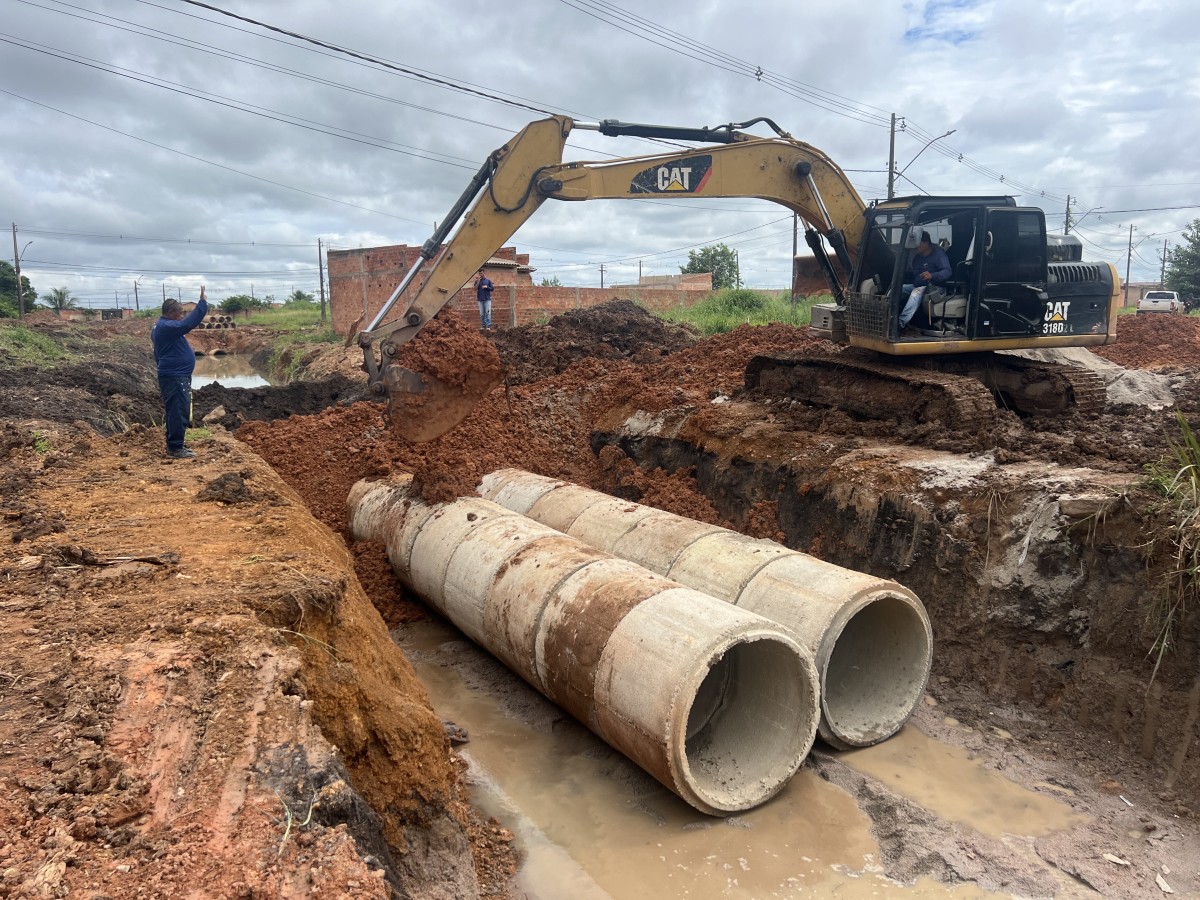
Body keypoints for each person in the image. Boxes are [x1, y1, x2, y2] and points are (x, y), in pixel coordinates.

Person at [151, 287, 208, 459]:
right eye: (180, 313)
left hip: (175, 375)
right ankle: (175, 448)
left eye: (183, 313)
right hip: (174, 377)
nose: (182, 316)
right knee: (178, 410)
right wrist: (202, 303)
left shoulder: (165, 326)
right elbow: (188, 324)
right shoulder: (166, 326)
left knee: (177, 409)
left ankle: (175, 444)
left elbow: (159, 353)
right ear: (170, 313)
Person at [899, 231, 952, 330]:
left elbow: (948, 271)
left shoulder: (938, 254)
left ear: (926, 243)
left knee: (916, 292)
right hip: (918, 285)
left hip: (936, 288)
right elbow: (915, 273)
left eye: (918, 243)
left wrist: (932, 275)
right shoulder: (917, 258)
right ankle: (886, 315)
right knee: (898, 288)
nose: (915, 247)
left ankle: (900, 323)